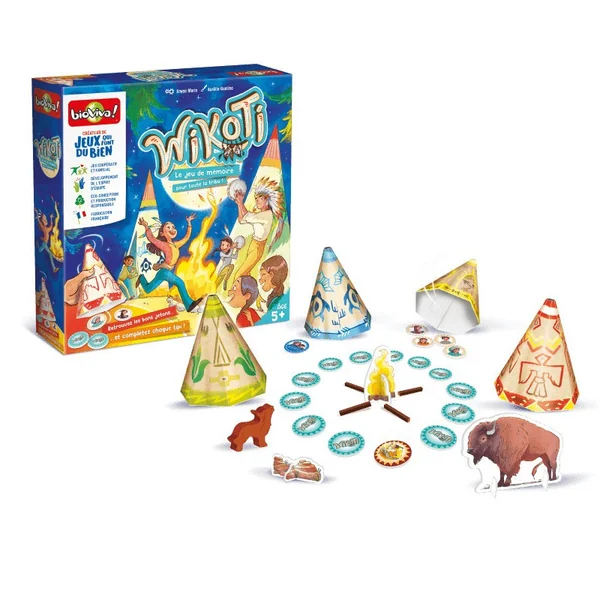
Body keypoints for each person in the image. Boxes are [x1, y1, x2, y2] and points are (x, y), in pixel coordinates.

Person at [136, 214, 203, 312]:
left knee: (148, 289)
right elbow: (152, 239)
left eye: (173, 227)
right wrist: (146, 226)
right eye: (168, 227)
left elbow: (186, 238)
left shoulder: (176, 244)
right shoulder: (164, 245)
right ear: (162, 233)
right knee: (180, 283)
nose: (172, 229)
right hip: (165, 272)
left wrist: (189, 223)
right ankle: (189, 305)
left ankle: (141, 278)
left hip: (163, 273)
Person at [231, 177, 285, 279]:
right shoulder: (261, 214)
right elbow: (241, 220)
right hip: (253, 245)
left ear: (266, 199)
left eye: (259, 198)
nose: (256, 201)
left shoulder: (267, 215)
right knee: (246, 275)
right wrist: (239, 204)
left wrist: (241, 202)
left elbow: (247, 216)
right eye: (255, 199)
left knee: (239, 276)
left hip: (257, 248)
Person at [36, 207, 59, 273]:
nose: (45, 220)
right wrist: (36, 212)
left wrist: (51, 218)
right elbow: (38, 220)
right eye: (44, 219)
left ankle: (37, 245)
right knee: (50, 254)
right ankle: (54, 268)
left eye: (46, 218)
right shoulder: (43, 227)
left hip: (44, 243)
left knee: (40, 250)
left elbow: (51, 226)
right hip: (44, 243)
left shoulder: (47, 228)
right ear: (42, 220)